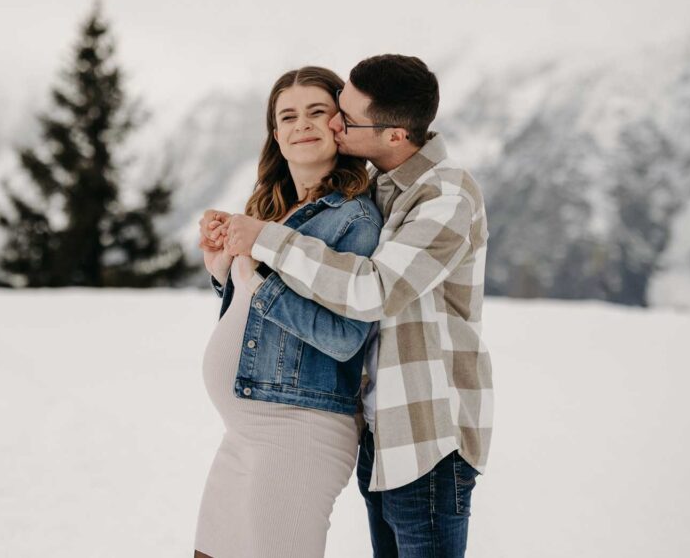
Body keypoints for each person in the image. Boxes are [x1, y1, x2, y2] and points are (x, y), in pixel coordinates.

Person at [204, 54, 491, 558]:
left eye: (342, 116)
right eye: (288, 117)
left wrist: (263, 251)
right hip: (383, 431)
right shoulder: (387, 190)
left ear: (395, 135)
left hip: (425, 435)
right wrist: (227, 270)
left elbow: (373, 294)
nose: (333, 124)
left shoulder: (443, 195)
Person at [193, 66, 383, 558]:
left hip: (300, 432)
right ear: (275, 134)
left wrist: (255, 280)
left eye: (318, 112)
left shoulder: (353, 217)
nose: (303, 124)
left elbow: (346, 337)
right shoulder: (274, 210)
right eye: (289, 116)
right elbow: (262, 324)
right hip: (247, 429)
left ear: (340, 124)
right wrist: (223, 273)